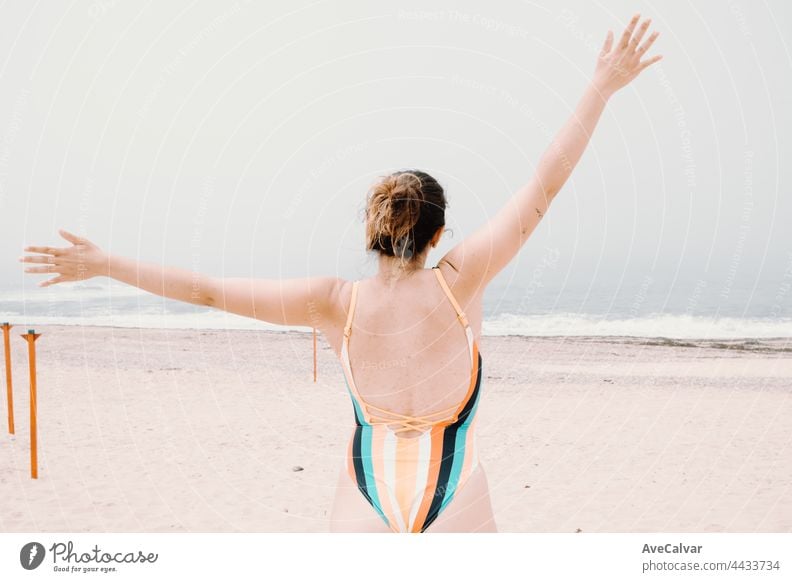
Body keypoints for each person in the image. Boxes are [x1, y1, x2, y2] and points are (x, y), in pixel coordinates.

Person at [20, 14, 661, 533]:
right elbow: (544, 185)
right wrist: (600, 87)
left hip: (367, 486)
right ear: (438, 235)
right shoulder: (460, 279)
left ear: (372, 233)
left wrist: (104, 264)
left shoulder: (333, 303)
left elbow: (204, 290)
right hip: (453, 481)